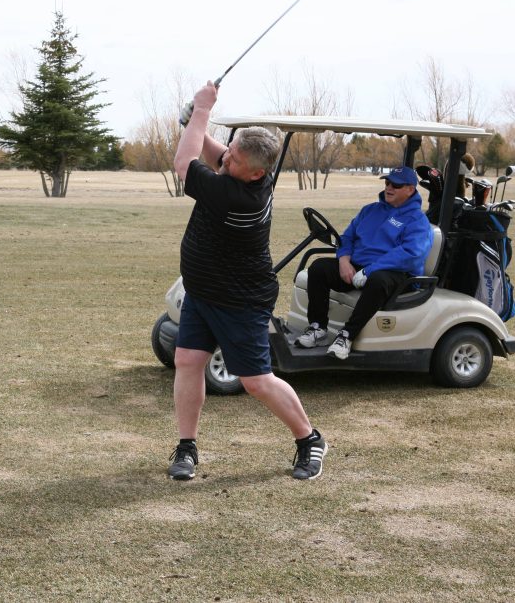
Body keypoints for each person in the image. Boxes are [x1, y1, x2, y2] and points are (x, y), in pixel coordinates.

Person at [167, 81, 327, 482]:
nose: (225, 159)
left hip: (239, 299)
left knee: (256, 380)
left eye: (233, 159)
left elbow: (183, 164)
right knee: (187, 360)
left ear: (256, 173)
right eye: (230, 150)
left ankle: (310, 439)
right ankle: (187, 446)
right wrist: (195, 124)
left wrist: (202, 110)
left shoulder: (236, 196)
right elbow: (215, 151)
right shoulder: (245, 172)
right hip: (203, 290)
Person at [296, 165, 433, 359]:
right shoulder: (370, 211)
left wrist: (370, 270)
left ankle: (347, 336)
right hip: (359, 268)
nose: (389, 188)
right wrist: (344, 260)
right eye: (387, 183)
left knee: (378, 280)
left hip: (395, 273)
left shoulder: (417, 221)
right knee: (319, 268)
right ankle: (318, 328)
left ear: (410, 189)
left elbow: (410, 254)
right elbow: (347, 238)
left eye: (396, 185)